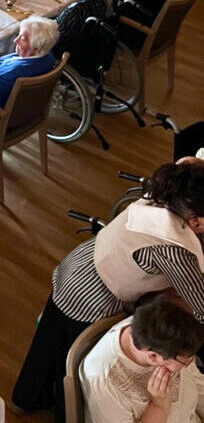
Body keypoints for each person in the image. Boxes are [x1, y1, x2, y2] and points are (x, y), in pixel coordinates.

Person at [12, 162, 204, 421]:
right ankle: (61, 409)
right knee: (69, 361)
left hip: (87, 258)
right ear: (195, 221)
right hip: (93, 294)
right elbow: (200, 307)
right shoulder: (174, 249)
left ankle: (28, 396)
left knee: (49, 341)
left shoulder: (165, 195)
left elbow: (188, 164)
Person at [80, 299, 204, 423]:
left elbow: (195, 381)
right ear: (153, 357)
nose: (190, 362)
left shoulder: (158, 329)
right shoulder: (105, 381)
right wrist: (159, 407)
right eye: (185, 361)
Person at [0, 16, 58, 132]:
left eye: (23, 38)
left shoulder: (13, 73)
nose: (15, 41)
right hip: (26, 110)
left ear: (36, 48)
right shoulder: (48, 57)